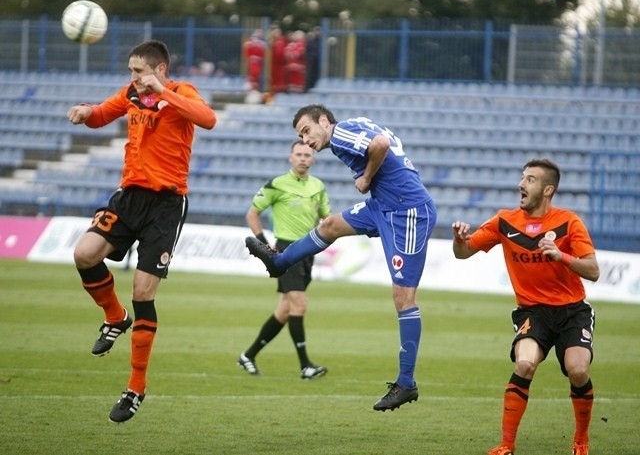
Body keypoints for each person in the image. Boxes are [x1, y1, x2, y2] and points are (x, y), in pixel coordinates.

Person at [245, 104, 437, 411]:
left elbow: (381, 144)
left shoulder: (340, 133)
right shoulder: (351, 127)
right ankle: (278, 261)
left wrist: (366, 177)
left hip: (407, 211)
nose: (306, 141)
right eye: (300, 136)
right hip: (383, 205)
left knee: (403, 298)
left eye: (307, 131)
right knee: (331, 224)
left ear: (324, 121)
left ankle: (406, 383)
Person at [67, 39, 217, 423]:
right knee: (84, 254)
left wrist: (164, 92)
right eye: (131, 71)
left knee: (143, 290)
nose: (132, 78)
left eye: (138, 71)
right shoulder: (131, 93)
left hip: (166, 205)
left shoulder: (181, 92)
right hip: (130, 196)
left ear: (160, 69)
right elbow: (103, 115)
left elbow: (208, 118)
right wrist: (86, 112)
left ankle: (135, 388)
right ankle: (115, 318)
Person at [451, 158, 599, 455]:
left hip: (572, 311)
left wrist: (561, 257)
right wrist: (458, 240)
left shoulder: (569, 222)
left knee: (578, 370)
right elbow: (463, 253)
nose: (521, 184)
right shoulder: (505, 221)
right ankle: (507, 445)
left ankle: (581, 441)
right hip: (533, 311)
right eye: (522, 178)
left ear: (547, 190)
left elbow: (593, 270)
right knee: (525, 363)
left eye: (529, 179)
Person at [238, 139, 331, 379]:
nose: (303, 158)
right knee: (299, 305)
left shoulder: (318, 187)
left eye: (307, 155)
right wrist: (262, 242)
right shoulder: (277, 185)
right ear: (290, 158)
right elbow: (252, 213)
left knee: (284, 310)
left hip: (308, 251)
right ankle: (305, 366)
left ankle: (248, 355)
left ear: (314, 159)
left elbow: (327, 219)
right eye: (298, 154)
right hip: (287, 251)